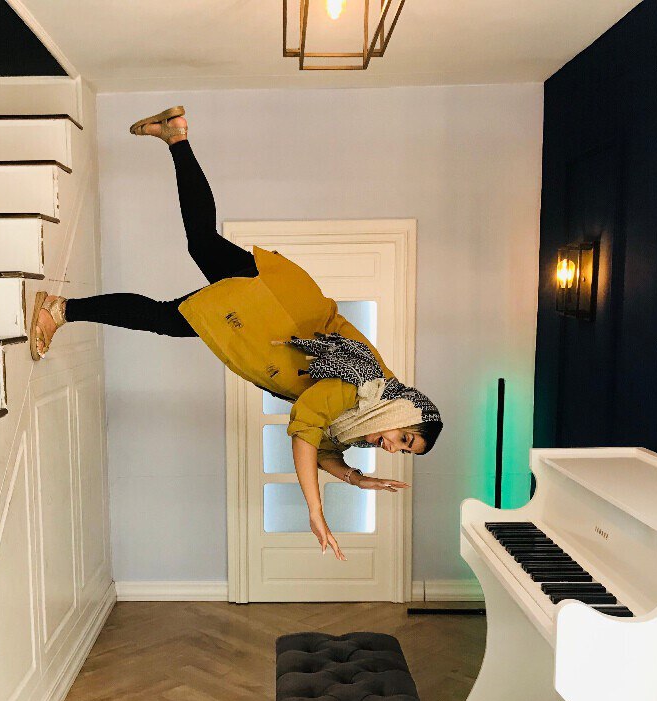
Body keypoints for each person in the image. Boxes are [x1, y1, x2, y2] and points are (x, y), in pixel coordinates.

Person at [30, 106, 442, 561]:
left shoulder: (363, 413)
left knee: (201, 242)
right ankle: (60, 309)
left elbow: (326, 445)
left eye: (404, 451)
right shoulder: (362, 388)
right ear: (403, 410)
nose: (393, 448)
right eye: (405, 438)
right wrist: (315, 510)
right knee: (169, 317)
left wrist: (356, 479)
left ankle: (175, 136)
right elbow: (305, 435)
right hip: (269, 310)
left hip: (277, 302)